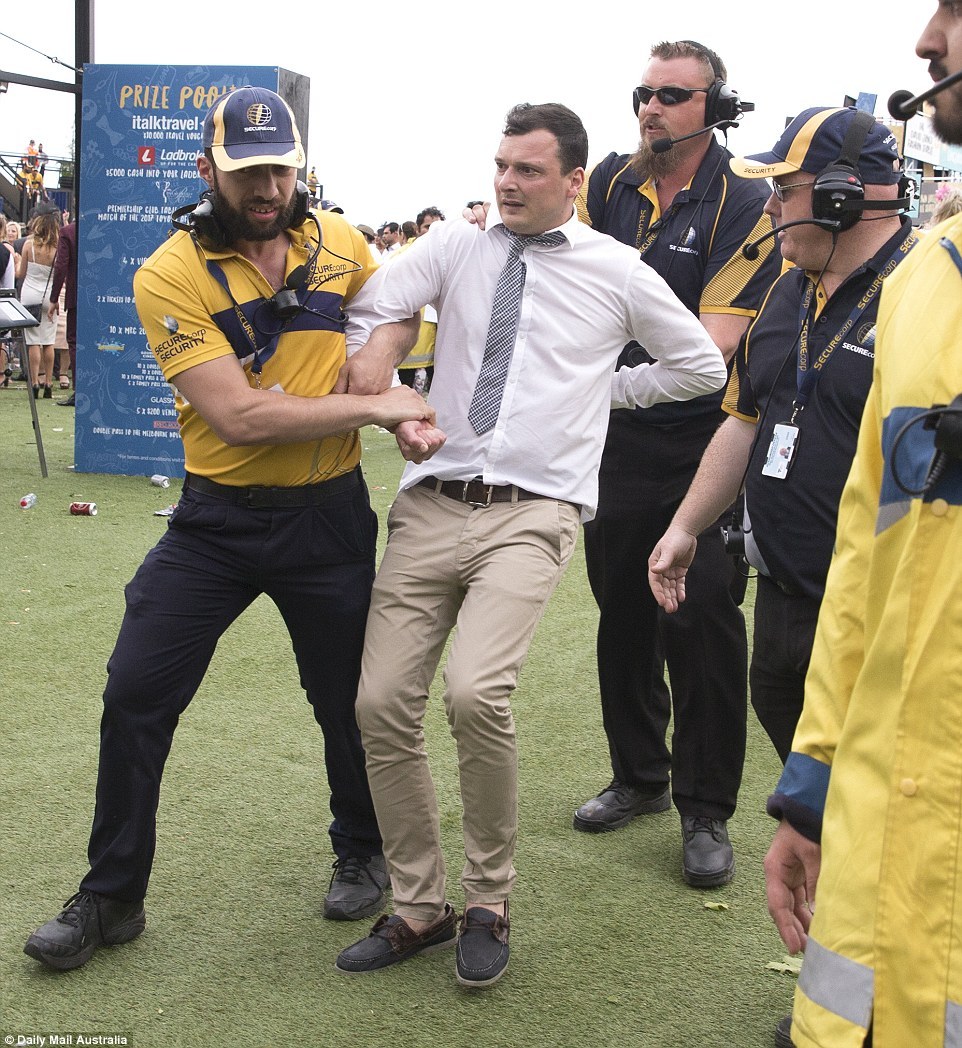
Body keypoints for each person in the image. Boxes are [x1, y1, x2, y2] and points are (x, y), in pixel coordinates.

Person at [23, 86, 435, 973]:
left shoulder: (341, 240)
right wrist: (376, 407)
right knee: (136, 693)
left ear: (298, 166)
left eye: (279, 169)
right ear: (208, 170)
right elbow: (241, 418)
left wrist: (378, 350)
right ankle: (111, 897)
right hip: (215, 521)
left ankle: (361, 848)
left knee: (346, 699)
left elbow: (400, 305)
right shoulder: (167, 272)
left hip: (327, 516)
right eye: (247, 172)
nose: (266, 188)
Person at [333, 102, 728, 987]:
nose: (507, 183)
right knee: (380, 702)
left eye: (529, 170)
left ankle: (489, 901)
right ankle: (419, 907)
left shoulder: (617, 268)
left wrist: (599, 394)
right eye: (502, 166)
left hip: (533, 513)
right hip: (430, 503)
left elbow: (702, 366)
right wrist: (390, 388)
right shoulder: (453, 246)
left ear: (574, 181)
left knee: (476, 693)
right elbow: (375, 305)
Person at [762, 6, 962, 1046]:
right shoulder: (926, 280)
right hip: (874, 822)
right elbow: (865, 553)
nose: (927, 40)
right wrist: (812, 781)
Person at [572, 39, 779, 888]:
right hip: (617, 438)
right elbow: (573, 295)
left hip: (706, 438)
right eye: (642, 93)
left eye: (670, 95)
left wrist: (599, 371)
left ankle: (705, 809)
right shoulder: (609, 182)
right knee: (620, 608)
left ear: (714, 108)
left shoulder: (748, 198)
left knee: (699, 620)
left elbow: (710, 344)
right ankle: (639, 777)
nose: (650, 108)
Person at [647, 106, 913, 763]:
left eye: (784, 190)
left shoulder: (927, 295)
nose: (769, 208)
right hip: (784, 596)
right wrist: (686, 526)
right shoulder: (786, 292)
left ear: (841, 198)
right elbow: (743, 422)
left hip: (881, 612)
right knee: (797, 756)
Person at [17, 210, 59, 398]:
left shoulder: (28, 246)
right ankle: (48, 381)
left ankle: (34, 381)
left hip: (30, 294)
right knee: (48, 341)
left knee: (33, 340)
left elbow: (21, 273)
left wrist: (17, 262)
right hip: (49, 296)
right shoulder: (57, 249)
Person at [48, 218, 77, 402]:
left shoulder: (68, 232)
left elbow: (61, 266)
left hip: (76, 295)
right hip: (102, 297)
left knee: (75, 342)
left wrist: (54, 298)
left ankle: (79, 390)